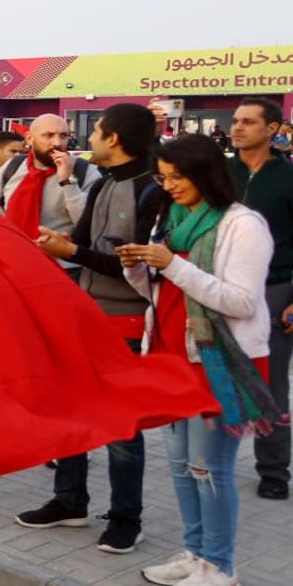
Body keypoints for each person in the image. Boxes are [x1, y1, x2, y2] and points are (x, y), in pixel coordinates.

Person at [123, 136, 281, 586]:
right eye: (163, 176)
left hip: (219, 364)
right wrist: (139, 267)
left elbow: (241, 302)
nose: (169, 186)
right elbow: (163, 295)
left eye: (178, 176)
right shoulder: (174, 219)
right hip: (173, 359)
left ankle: (220, 565)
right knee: (179, 465)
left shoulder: (242, 224)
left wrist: (171, 264)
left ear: (205, 173)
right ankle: (195, 553)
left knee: (208, 469)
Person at [15, 103, 167, 554]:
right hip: (84, 313)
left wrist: (71, 252)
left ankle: (125, 517)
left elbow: (137, 267)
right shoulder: (102, 187)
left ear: (115, 139)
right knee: (71, 409)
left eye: (96, 129)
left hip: (129, 321)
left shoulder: (151, 191)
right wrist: (55, 246)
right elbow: (81, 242)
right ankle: (69, 500)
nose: (89, 138)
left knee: (121, 423)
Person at [226, 97, 293, 501]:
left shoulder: (287, 178)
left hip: (274, 291)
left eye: (248, 122)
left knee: (269, 386)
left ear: (273, 129)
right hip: (218, 290)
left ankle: (273, 470)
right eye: (235, 121)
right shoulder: (221, 174)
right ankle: (210, 460)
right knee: (216, 379)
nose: (237, 128)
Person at [0, 114, 99, 278]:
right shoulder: (12, 168)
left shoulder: (86, 172)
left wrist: (68, 181)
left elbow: (91, 225)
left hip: (66, 271)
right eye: (48, 135)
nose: (57, 143)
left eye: (63, 136)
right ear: (29, 139)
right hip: (14, 266)